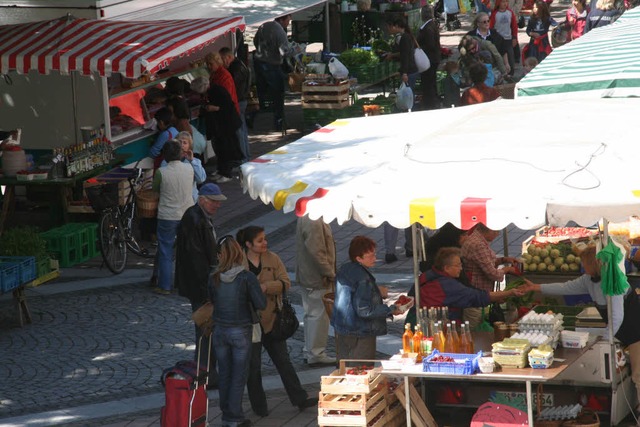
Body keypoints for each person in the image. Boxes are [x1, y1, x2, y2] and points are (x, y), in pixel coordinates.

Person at [237, 226, 318, 417]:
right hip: (250, 322)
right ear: (248, 244)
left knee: (284, 361)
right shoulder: (238, 262)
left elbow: (285, 283)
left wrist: (266, 286)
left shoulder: (272, 258)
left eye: (265, 239)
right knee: (253, 367)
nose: (265, 243)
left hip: (273, 319)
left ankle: (299, 398)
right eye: (260, 240)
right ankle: (259, 406)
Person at [210, 235, 266, 427]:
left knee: (224, 373)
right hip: (240, 330)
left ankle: (227, 415)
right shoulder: (246, 277)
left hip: (219, 330)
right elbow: (261, 303)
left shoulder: (214, 277)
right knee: (238, 375)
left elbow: (212, 301)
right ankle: (234, 417)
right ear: (238, 253)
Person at [175, 183, 227, 389]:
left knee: (206, 331)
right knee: (205, 331)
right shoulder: (196, 220)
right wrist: (208, 291)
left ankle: (207, 373)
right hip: (200, 287)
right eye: (214, 201)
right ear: (203, 200)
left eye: (219, 202)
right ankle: (206, 374)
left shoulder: (197, 217)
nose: (217, 205)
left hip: (198, 285)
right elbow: (198, 261)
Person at [332, 236, 403, 361]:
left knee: (344, 368)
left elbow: (352, 295)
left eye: (374, 254)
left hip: (343, 328)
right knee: (361, 370)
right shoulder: (362, 278)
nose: (375, 259)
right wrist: (390, 309)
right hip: (360, 332)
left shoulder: (345, 268)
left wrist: (375, 292)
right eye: (370, 256)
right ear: (358, 258)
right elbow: (364, 310)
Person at [419, 247, 524, 320]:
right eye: (458, 265)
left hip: (422, 318)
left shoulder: (426, 275)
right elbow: (478, 296)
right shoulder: (447, 285)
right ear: (446, 268)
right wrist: (510, 292)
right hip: (440, 325)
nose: (461, 269)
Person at [151, 140, 194, 295]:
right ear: (180, 153)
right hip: (187, 213)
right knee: (188, 249)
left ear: (165, 156)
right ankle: (187, 283)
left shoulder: (161, 172)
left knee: (165, 251)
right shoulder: (189, 169)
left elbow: (155, 189)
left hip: (167, 216)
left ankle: (165, 286)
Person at [295, 215, 337, 366]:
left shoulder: (308, 214)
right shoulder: (312, 217)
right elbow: (316, 251)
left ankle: (311, 350)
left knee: (312, 314)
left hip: (310, 275)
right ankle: (315, 353)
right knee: (317, 315)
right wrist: (329, 272)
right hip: (316, 277)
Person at [461, 223, 520, 328]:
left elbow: (484, 263)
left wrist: (503, 260)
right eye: (496, 232)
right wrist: (506, 269)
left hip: (480, 296)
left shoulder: (477, 239)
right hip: (476, 298)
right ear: (490, 230)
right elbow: (494, 274)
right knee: (476, 332)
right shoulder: (477, 244)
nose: (497, 235)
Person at [253, 14, 293, 132]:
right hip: (271, 64)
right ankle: (279, 122)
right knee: (278, 94)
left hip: (259, 62)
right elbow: (284, 52)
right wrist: (295, 51)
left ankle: (253, 115)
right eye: (288, 21)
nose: (288, 23)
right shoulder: (279, 31)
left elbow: (255, 42)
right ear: (282, 19)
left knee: (263, 94)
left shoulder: (264, 26)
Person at [203, 83, 243, 183]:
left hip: (227, 126)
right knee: (221, 149)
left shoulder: (217, 91)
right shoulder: (215, 90)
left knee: (226, 149)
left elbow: (227, 107)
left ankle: (226, 173)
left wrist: (214, 108)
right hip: (222, 126)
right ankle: (222, 171)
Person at [220, 47, 251, 163]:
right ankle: (246, 156)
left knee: (239, 131)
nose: (223, 62)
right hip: (242, 100)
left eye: (223, 59)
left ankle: (243, 158)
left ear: (228, 57)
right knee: (242, 130)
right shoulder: (240, 65)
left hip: (239, 101)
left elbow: (232, 85)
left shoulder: (236, 68)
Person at [385, 15, 419, 109]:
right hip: (412, 69)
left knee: (409, 96)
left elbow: (405, 57)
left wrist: (404, 73)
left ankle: (410, 111)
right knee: (410, 94)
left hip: (409, 71)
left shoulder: (404, 38)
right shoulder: (408, 36)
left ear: (397, 26)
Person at [467, 13, 511, 77]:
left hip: (493, 66)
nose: (487, 23)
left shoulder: (495, 34)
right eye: (484, 22)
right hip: (476, 67)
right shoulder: (471, 35)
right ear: (478, 24)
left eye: (488, 21)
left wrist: (506, 64)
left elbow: (503, 50)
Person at [416, 4, 442, 111]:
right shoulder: (431, 25)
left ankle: (430, 104)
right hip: (433, 58)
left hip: (429, 59)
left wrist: (419, 48)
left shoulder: (428, 28)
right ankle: (433, 102)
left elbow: (430, 45)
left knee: (428, 82)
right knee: (430, 81)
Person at [171, 131, 206, 203]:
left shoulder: (195, 161)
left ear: (189, 146)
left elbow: (201, 179)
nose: (182, 145)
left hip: (192, 200)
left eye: (185, 143)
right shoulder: (168, 160)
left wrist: (192, 161)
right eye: (180, 142)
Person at [490, 0, 518, 76]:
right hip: (498, 40)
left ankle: (511, 73)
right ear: (499, 3)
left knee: (511, 56)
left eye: (506, 1)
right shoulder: (495, 13)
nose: (505, 4)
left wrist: (514, 37)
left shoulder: (510, 12)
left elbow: (514, 26)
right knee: (499, 57)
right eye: (503, 2)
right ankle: (502, 73)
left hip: (508, 39)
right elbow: (491, 27)